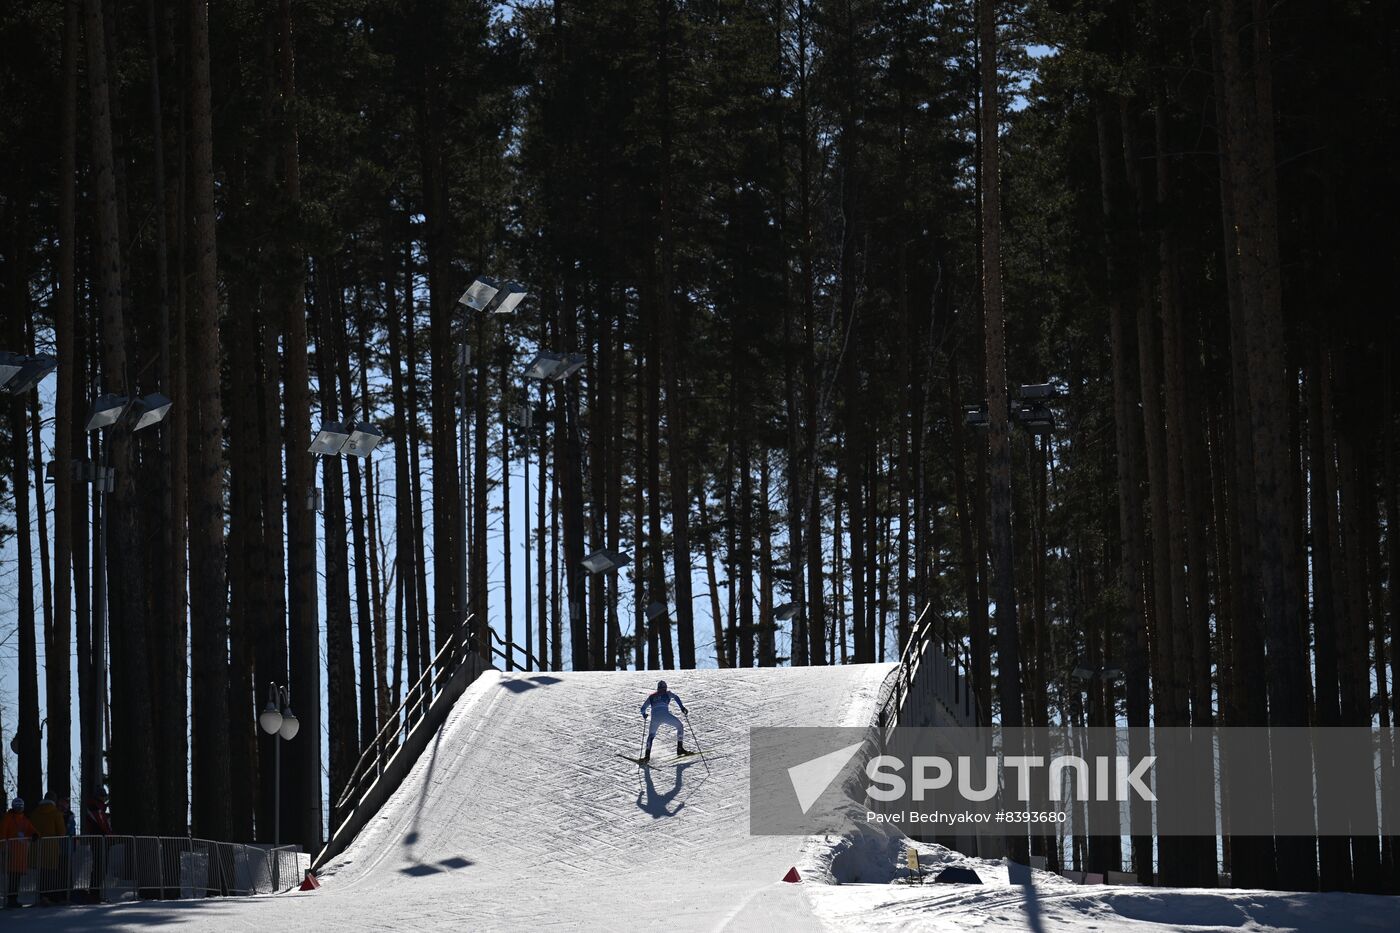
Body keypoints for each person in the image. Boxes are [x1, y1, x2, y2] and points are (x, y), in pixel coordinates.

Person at [639, 679, 693, 762]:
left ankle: (647, 756)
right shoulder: (667, 693)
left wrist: (644, 715)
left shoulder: (652, 696)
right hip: (665, 715)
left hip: (655, 718)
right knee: (680, 726)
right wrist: (682, 708)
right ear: (665, 687)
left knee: (651, 736)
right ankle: (679, 748)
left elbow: (642, 709)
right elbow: (676, 698)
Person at [2, 797, 39, 908]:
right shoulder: (8, 818)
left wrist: (35, 834)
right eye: (17, 806)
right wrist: (3, 848)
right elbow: (2, 833)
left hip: (21, 853)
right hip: (11, 852)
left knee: (17, 877)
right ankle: (11, 900)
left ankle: (14, 899)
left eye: (20, 806)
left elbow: (31, 829)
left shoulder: (24, 820)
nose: (19, 808)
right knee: (12, 877)